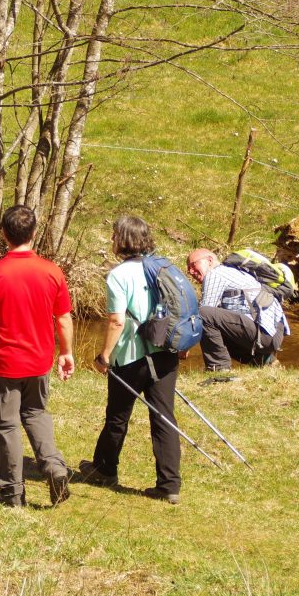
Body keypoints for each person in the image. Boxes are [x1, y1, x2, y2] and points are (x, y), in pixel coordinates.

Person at [0, 205, 75, 508]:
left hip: (5, 366)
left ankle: (12, 492)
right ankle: (55, 467)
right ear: (34, 233)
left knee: (6, 425)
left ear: (3, 234)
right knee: (36, 414)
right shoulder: (52, 271)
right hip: (39, 363)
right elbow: (63, 317)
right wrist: (66, 352)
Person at [79, 214, 182, 505]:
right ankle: (169, 485)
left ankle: (104, 470)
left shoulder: (119, 275)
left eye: (114, 236)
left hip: (132, 357)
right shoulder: (164, 266)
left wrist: (104, 356)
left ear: (122, 240)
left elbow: (116, 321)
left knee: (117, 416)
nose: (112, 240)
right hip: (166, 353)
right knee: (164, 417)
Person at [187, 248, 288, 370]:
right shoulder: (235, 272)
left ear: (209, 260)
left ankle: (219, 368)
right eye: (188, 268)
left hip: (264, 335)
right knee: (217, 326)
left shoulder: (215, 274)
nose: (190, 271)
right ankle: (266, 361)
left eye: (193, 265)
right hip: (274, 333)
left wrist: (184, 345)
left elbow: (203, 314)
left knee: (204, 314)